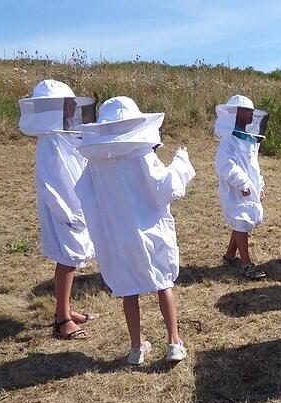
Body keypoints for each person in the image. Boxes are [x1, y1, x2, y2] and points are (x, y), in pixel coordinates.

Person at [75, 96, 195, 365]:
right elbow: (166, 187)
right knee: (163, 282)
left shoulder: (95, 161)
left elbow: (84, 194)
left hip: (118, 234)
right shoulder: (142, 154)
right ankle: (174, 342)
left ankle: (136, 347)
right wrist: (181, 159)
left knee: (129, 287)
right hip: (150, 229)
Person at [18, 79, 97, 340]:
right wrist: (70, 214)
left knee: (71, 260)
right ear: (55, 108)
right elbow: (51, 184)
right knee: (67, 260)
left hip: (75, 205)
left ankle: (64, 310)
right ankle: (62, 319)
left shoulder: (61, 137)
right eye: (68, 103)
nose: (74, 106)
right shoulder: (50, 143)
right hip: (64, 209)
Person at [214, 95, 268, 280]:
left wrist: (259, 185)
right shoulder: (228, 140)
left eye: (253, 110)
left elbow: (254, 166)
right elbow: (224, 165)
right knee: (242, 221)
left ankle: (230, 256)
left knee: (242, 221)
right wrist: (242, 183)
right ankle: (245, 264)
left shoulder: (249, 139)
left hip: (249, 187)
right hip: (236, 188)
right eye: (247, 110)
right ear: (235, 113)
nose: (252, 113)